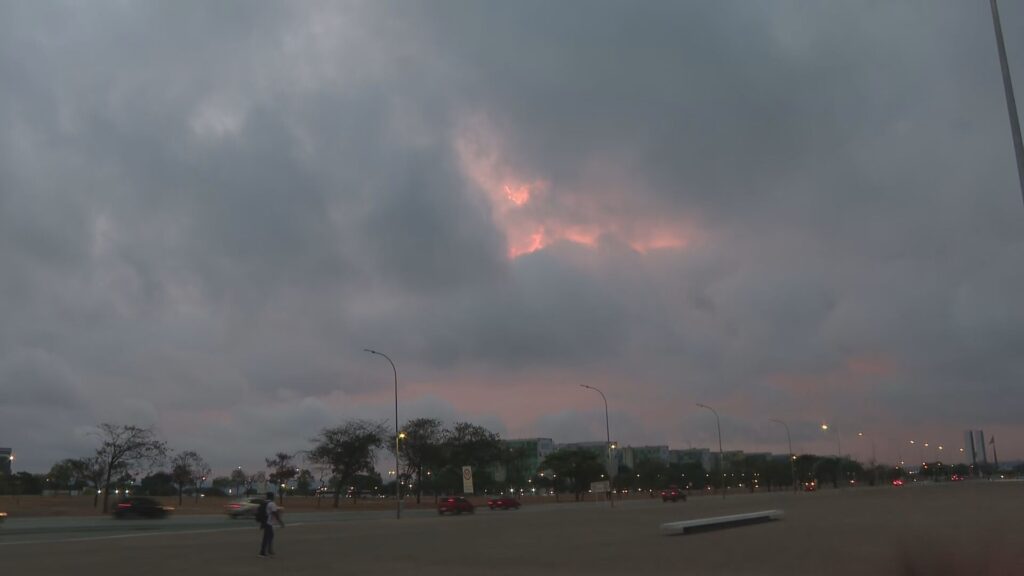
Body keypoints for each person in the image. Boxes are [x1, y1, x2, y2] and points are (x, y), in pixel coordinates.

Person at [258, 492, 285, 558]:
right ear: (272, 497)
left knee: (270, 536)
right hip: (268, 523)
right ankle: (262, 553)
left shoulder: (265, 503)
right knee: (267, 537)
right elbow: (275, 513)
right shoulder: (272, 504)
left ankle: (269, 550)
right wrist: (280, 522)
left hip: (265, 522)